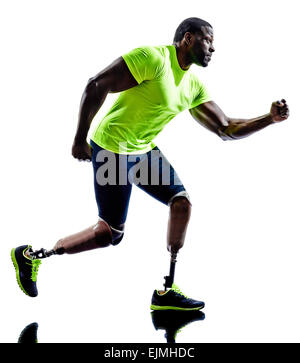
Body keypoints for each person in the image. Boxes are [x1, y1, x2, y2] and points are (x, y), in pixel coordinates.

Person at [11, 17, 289, 310]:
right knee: (110, 234)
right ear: (188, 38)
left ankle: (167, 291)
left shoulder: (192, 85)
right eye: (209, 40)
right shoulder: (154, 59)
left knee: (181, 203)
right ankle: (31, 255)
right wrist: (79, 139)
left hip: (142, 150)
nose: (213, 48)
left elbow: (226, 129)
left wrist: (268, 119)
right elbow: (96, 85)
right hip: (113, 149)